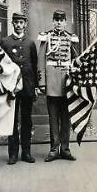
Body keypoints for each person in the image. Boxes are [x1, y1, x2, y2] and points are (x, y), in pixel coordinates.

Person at [37, 10, 78, 162]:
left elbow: (75, 60)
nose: (59, 22)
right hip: (52, 83)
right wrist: (41, 83)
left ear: (65, 22)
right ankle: (54, 149)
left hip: (66, 84)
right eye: (56, 20)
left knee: (66, 119)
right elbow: (41, 60)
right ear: (53, 21)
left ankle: (65, 149)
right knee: (53, 118)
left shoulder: (70, 38)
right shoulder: (46, 37)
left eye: (62, 20)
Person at [1, 12, 38, 165]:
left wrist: (35, 86)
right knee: (12, 120)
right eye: (16, 22)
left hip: (28, 87)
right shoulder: (5, 42)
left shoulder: (30, 43)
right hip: (11, 87)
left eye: (21, 22)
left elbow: (35, 66)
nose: (18, 25)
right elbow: (1, 65)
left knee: (27, 121)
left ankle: (26, 153)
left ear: (25, 24)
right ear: (12, 23)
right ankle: (13, 154)